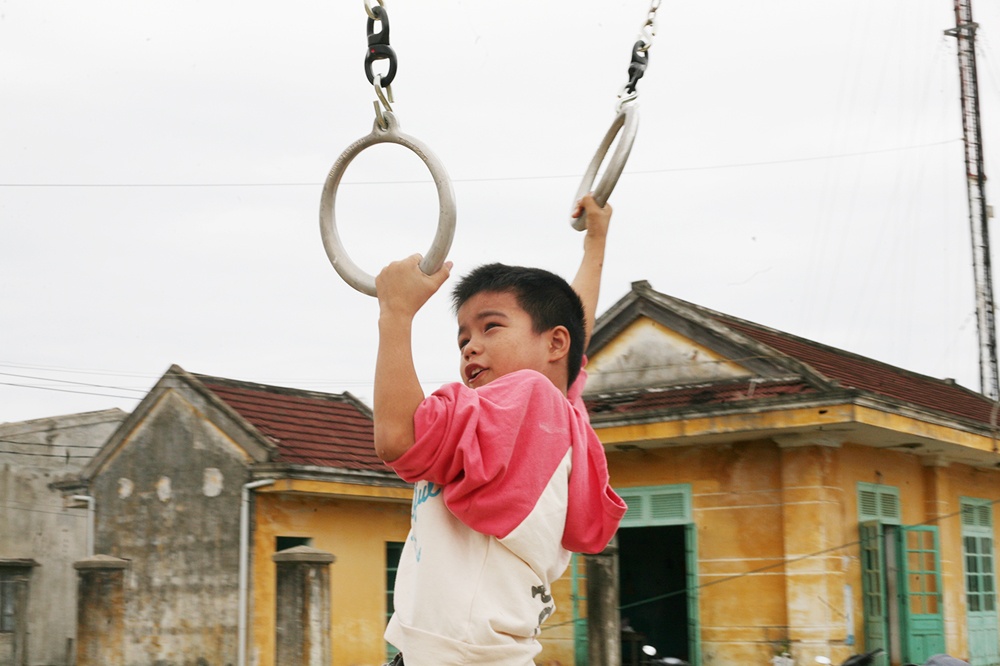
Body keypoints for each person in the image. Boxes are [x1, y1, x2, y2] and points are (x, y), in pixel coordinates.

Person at [373, 194, 627, 666]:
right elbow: (571, 329)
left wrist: (396, 313)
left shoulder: (527, 398)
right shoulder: (555, 417)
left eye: (491, 327)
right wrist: (596, 241)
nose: (471, 347)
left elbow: (397, 439)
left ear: (554, 344)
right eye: (464, 337)